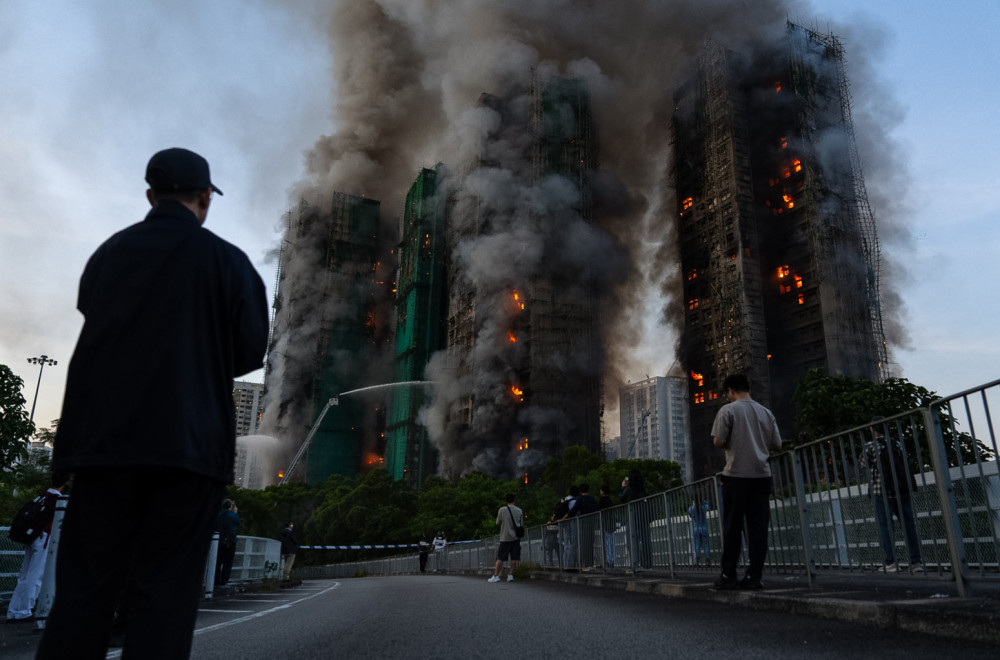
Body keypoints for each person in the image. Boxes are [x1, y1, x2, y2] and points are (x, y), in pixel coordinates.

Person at [36, 148, 269, 660]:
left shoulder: (110, 253)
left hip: (102, 448)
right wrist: (200, 356)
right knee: (164, 597)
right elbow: (251, 350)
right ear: (205, 197)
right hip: (188, 451)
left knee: (82, 594)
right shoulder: (229, 262)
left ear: (150, 195)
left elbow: (92, 311)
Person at [711, 373, 782, 590]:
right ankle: (754, 576)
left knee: (733, 527)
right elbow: (777, 444)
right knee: (758, 528)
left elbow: (718, 441)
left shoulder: (728, 410)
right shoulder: (766, 412)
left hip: (736, 475)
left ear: (731, 391)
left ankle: (729, 574)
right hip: (762, 475)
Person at [865, 416, 923, 573]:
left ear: (872, 429)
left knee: (886, 527)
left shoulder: (870, 446)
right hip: (902, 490)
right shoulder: (896, 443)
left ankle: (891, 562)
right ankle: (915, 562)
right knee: (909, 526)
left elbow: (864, 465)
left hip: (881, 491)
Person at [6, 478, 69, 623]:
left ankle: (13, 610)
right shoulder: (57, 501)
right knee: (35, 575)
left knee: (24, 575)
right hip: (44, 539)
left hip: (31, 538)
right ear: (65, 483)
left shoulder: (41, 498)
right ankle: (24, 610)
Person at [489, 493, 524, 582]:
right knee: (514, 557)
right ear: (514, 500)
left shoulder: (502, 510)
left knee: (500, 557)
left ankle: (496, 575)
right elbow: (521, 523)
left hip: (505, 537)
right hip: (516, 537)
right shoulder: (519, 510)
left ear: (506, 500)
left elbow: (497, 522)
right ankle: (511, 575)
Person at [620, 469, 652, 569]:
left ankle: (635, 563)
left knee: (632, 540)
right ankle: (647, 563)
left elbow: (621, 498)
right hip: (644, 516)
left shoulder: (629, 489)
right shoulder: (644, 490)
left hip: (633, 517)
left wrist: (623, 487)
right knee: (646, 540)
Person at [215, 499, 240, 587]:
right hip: (230, 541)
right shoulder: (233, 515)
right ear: (230, 507)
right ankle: (224, 581)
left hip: (218, 540)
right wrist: (235, 512)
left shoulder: (219, 514)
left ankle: (215, 581)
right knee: (227, 562)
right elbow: (238, 522)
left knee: (218, 562)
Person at [575, 483, 600, 570]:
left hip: (583, 522)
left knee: (583, 543)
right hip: (592, 522)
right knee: (591, 542)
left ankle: (585, 563)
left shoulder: (580, 499)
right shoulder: (593, 499)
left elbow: (574, 509)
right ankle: (591, 562)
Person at [598, 485, 616, 568]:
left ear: (602, 491)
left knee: (607, 543)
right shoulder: (610, 500)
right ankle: (612, 561)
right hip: (611, 522)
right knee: (612, 542)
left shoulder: (602, 500)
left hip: (605, 523)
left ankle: (608, 561)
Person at [689, 499, 710, 565]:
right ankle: (707, 561)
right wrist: (704, 501)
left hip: (696, 529)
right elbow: (707, 505)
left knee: (697, 545)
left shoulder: (691, 509)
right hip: (704, 528)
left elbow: (690, 515)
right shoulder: (704, 508)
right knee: (706, 545)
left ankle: (697, 561)